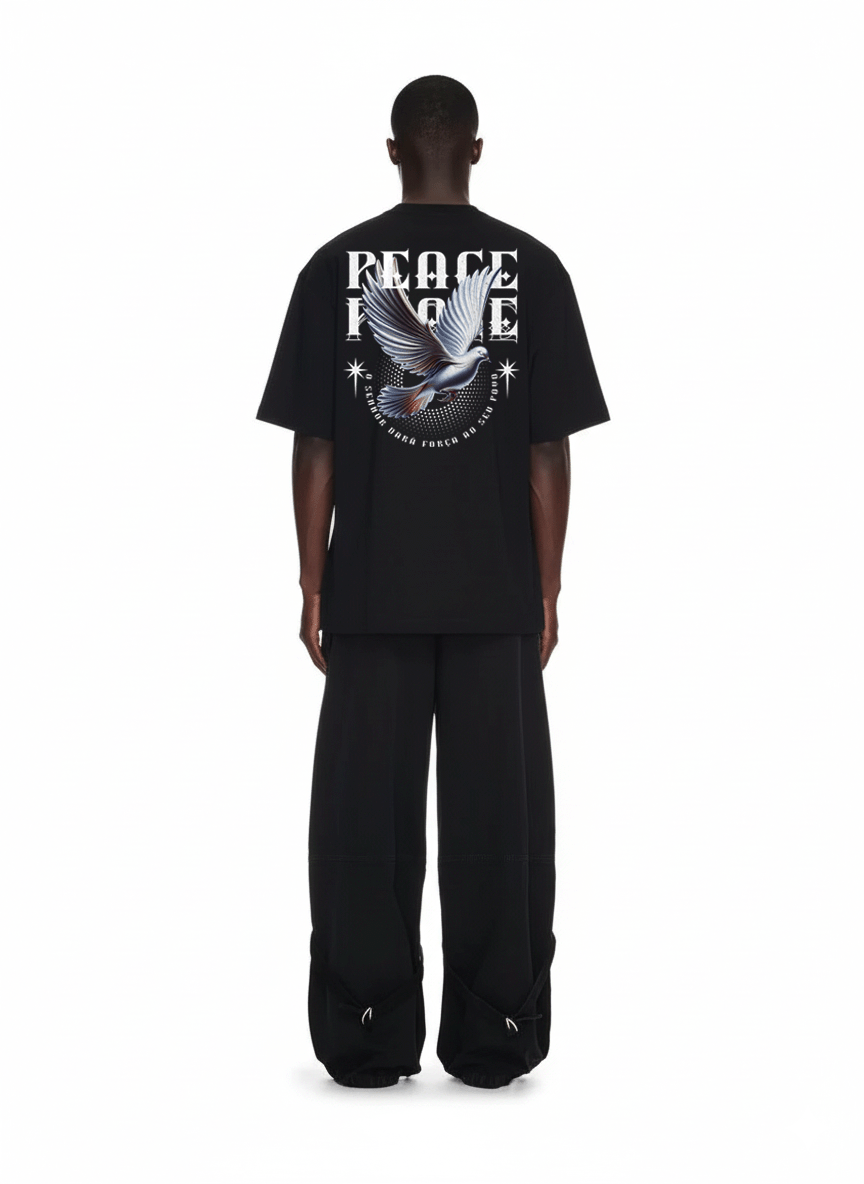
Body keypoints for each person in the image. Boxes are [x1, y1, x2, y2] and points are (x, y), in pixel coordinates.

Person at [256, 75, 610, 1089]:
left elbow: (316, 444)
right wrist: (548, 587)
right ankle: (498, 1032)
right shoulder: (534, 268)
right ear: (478, 150)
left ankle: (365, 1032)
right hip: (498, 594)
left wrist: (312, 583)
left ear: (392, 150)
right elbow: (548, 450)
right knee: (503, 822)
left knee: (362, 822)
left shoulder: (335, 266)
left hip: (371, 592)